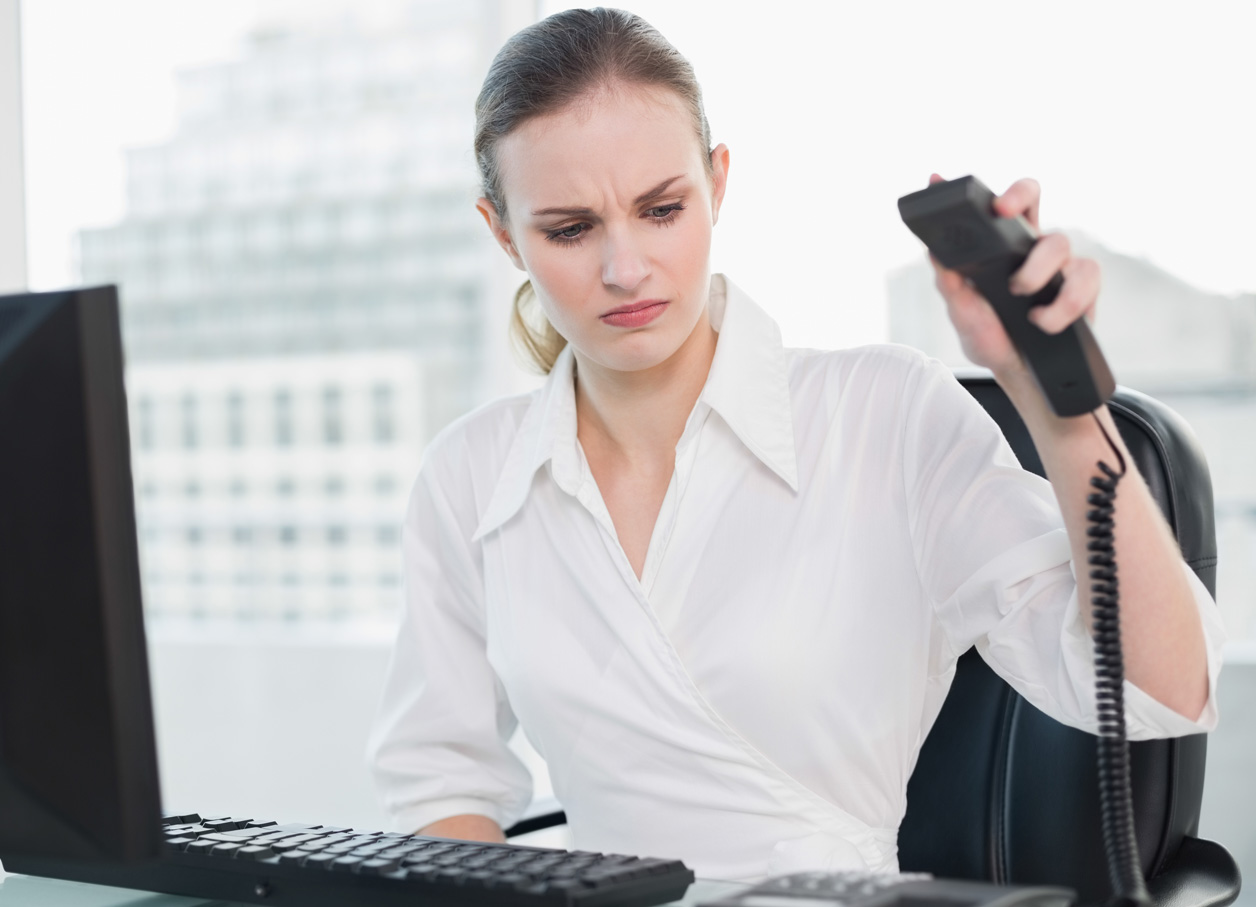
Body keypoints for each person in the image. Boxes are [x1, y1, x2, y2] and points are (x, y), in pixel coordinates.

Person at [366, 7, 1223, 882]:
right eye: (570, 229)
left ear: (717, 184)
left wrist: (1058, 405)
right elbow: (439, 774)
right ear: (504, 234)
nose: (625, 269)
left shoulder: (883, 414)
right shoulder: (471, 474)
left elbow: (1166, 690)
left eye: (662, 209)